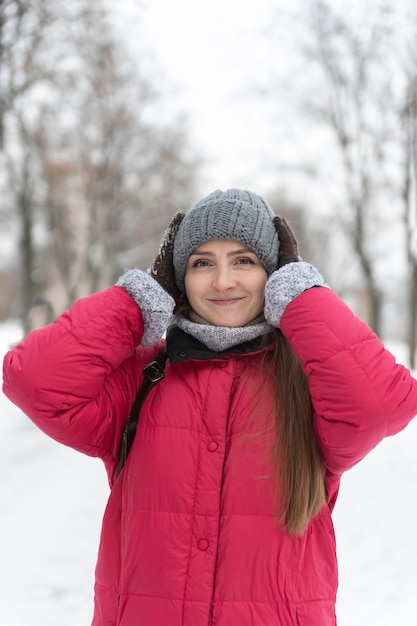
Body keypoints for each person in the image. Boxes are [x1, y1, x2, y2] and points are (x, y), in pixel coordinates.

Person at [3, 188, 417, 626]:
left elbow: (383, 404)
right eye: (202, 263)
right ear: (179, 278)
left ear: (274, 274)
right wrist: (136, 303)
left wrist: (302, 298)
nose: (222, 282)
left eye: (244, 261)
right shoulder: (143, 379)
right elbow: (33, 380)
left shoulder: (311, 385)